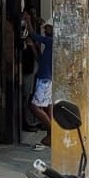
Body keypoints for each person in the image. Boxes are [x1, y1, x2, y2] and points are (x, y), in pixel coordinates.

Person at [25, 17, 55, 149]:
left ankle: (53, 132)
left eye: (47, 27)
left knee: (35, 107)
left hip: (45, 79)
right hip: (46, 78)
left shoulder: (51, 41)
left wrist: (28, 20)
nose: (45, 29)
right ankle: (50, 136)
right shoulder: (50, 44)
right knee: (48, 108)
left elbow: (33, 35)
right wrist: (33, 47)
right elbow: (39, 59)